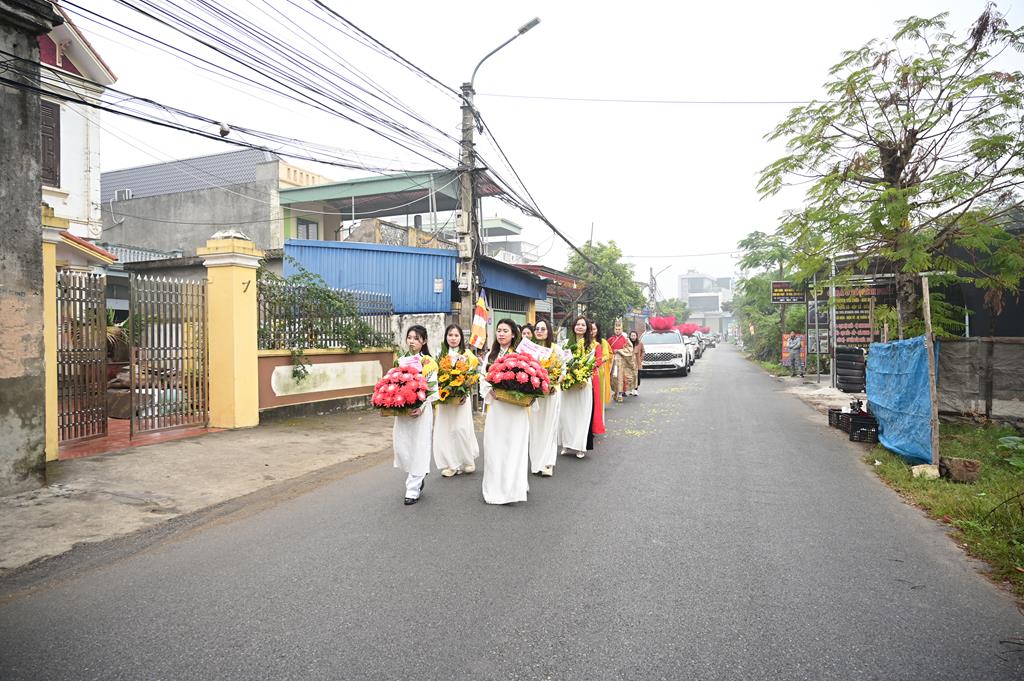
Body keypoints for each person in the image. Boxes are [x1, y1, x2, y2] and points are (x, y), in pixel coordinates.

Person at [481, 318, 530, 504]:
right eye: (498, 330)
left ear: (513, 334)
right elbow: (482, 378)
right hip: (497, 407)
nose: (501, 334)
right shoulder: (490, 356)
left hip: (516, 409)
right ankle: (495, 486)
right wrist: (489, 390)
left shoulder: (521, 354)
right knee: (495, 446)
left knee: (515, 446)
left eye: (505, 330)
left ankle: (514, 487)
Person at [392, 325, 438, 506]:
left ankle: (412, 489)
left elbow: (433, 389)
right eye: (409, 337)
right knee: (403, 447)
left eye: (416, 338)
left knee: (419, 446)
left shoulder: (428, 363)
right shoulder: (400, 361)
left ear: (424, 341)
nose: (412, 341)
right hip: (403, 412)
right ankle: (418, 475)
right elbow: (393, 383)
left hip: (421, 412)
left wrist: (422, 407)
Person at [433, 324, 480, 478]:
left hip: (461, 399)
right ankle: (451, 464)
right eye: (450, 335)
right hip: (445, 400)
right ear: (446, 337)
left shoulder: (468, 356)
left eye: (456, 335)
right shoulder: (440, 354)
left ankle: (467, 460)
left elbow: (472, 378)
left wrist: (464, 391)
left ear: (461, 338)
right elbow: (434, 377)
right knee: (446, 430)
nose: (453, 338)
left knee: (461, 429)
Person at [528, 319, 561, 477]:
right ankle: (536, 462)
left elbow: (563, 370)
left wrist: (554, 383)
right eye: (537, 329)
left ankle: (548, 462)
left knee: (549, 427)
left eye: (543, 328)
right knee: (536, 428)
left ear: (549, 331)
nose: (540, 331)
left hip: (551, 393)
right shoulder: (531, 349)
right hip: (535, 394)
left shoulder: (556, 349)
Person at [559, 315, 594, 458]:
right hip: (567, 382)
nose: (580, 327)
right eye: (577, 324)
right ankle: (567, 444)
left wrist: (582, 377)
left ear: (587, 329)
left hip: (582, 383)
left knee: (581, 415)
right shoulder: (566, 343)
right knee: (566, 414)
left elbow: (590, 363)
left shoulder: (590, 345)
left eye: (583, 325)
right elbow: (561, 360)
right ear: (573, 327)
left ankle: (580, 446)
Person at [590, 321, 609, 440]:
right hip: (585, 372)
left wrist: (597, 359)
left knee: (598, 399)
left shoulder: (602, 342)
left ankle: (597, 425)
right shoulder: (585, 342)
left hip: (598, 372)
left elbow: (607, 355)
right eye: (590, 329)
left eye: (594, 329)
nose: (592, 331)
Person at [608, 320, 634, 402]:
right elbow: (607, 349)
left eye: (619, 329)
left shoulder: (625, 339)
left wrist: (619, 350)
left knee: (620, 377)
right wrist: (611, 352)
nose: (617, 331)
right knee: (613, 378)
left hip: (621, 360)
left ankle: (620, 394)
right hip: (612, 361)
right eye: (616, 329)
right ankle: (616, 392)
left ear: (622, 330)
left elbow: (630, 349)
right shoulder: (611, 339)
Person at [628, 330, 643, 396]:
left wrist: (640, 359)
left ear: (636, 336)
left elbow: (643, 351)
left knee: (637, 376)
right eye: (632, 336)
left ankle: (636, 389)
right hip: (629, 362)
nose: (633, 337)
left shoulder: (640, 343)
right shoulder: (627, 343)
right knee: (630, 376)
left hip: (637, 362)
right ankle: (631, 389)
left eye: (634, 335)